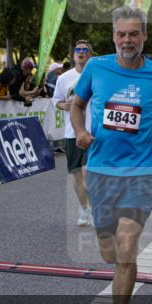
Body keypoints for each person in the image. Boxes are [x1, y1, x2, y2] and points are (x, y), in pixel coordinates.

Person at [71, 6, 152, 304]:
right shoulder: (97, 67)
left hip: (140, 171)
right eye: (121, 34)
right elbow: (76, 104)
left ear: (144, 36)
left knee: (127, 244)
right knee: (108, 250)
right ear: (113, 36)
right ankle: (118, 269)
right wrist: (80, 131)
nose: (127, 40)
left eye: (133, 34)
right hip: (100, 169)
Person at [54, 40, 94, 227]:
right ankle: (85, 209)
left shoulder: (98, 75)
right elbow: (57, 101)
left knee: (89, 173)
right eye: (77, 50)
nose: (80, 52)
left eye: (85, 50)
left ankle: (96, 208)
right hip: (72, 132)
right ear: (73, 55)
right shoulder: (64, 78)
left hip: (94, 131)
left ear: (90, 55)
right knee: (77, 174)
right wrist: (65, 105)